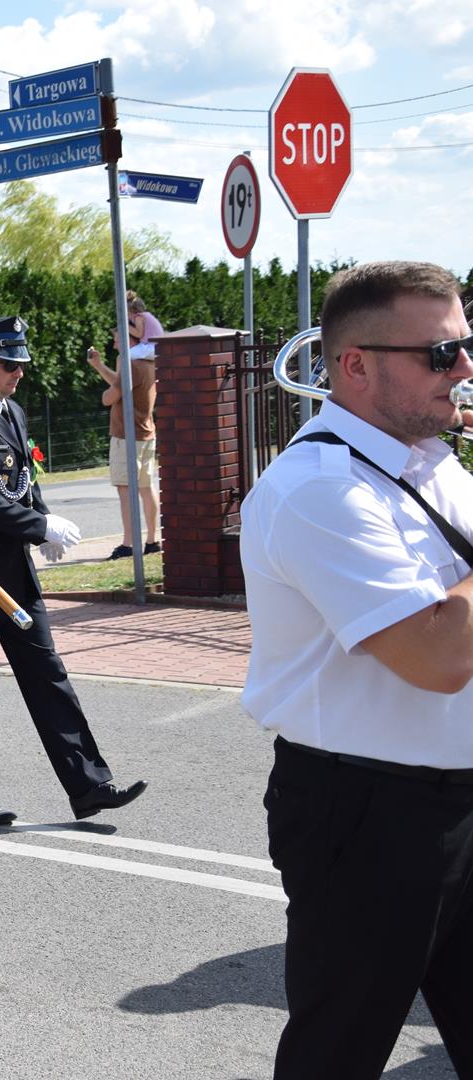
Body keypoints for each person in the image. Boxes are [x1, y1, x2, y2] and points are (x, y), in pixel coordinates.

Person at [240, 260, 473, 1079]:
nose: (466, 371)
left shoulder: (430, 461)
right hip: (370, 814)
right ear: (356, 365)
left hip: (455, 796)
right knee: (338, 1055)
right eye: (440, 355)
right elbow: (440, 658)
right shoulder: (319, 489)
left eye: (466, 348)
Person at [0, 316, 148, 826]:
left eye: (22, 364)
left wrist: (41, 518)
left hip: (15, 572)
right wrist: (38, 526)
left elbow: (25, 479)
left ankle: (90, 787)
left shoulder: (13, 413)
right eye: (9, 364)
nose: (19, 373)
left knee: (48, 676)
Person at [84, 340, 160, 558]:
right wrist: (99, 366)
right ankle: (152, 540)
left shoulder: (131, 365)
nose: (115, 339)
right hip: (146, 433)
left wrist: (108, 391)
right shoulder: (147, 363)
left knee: (125, 489)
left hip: (126, 437)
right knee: (146, 488)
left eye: (118, 333)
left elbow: (109, 397)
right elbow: (120, 385)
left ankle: (128, 545)